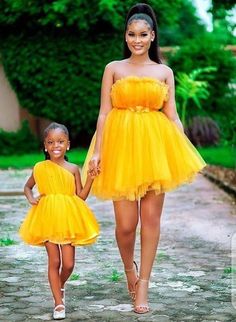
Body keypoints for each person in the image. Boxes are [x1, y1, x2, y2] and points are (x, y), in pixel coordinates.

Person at [86, 2, 206, 315]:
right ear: (125, 37)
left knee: (150, 220)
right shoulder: (113, 68)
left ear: (152, 36)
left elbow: (173, 116)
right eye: (131, 34)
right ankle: (129, 270)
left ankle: (144, 284)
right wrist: (97, 151)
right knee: (126, 226)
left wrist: (183, 151)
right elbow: (103, 113)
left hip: (155, 148)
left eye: (142, 34)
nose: (136, 39)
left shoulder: (164, 72)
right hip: (121, 147)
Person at [19, 122, 99, 320]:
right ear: (45, 146)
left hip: (69, 219)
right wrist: (31, 198)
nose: (56, 145)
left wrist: (90, 179)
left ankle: (59, 285)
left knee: (69, 264)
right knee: (54, 261)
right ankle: (58, 303)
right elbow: (28, 187)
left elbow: (80, 196)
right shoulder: (40, 167)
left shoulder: (73, 168)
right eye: (51, 142)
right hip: (47, 218)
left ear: (68, 145)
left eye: (60, 141)